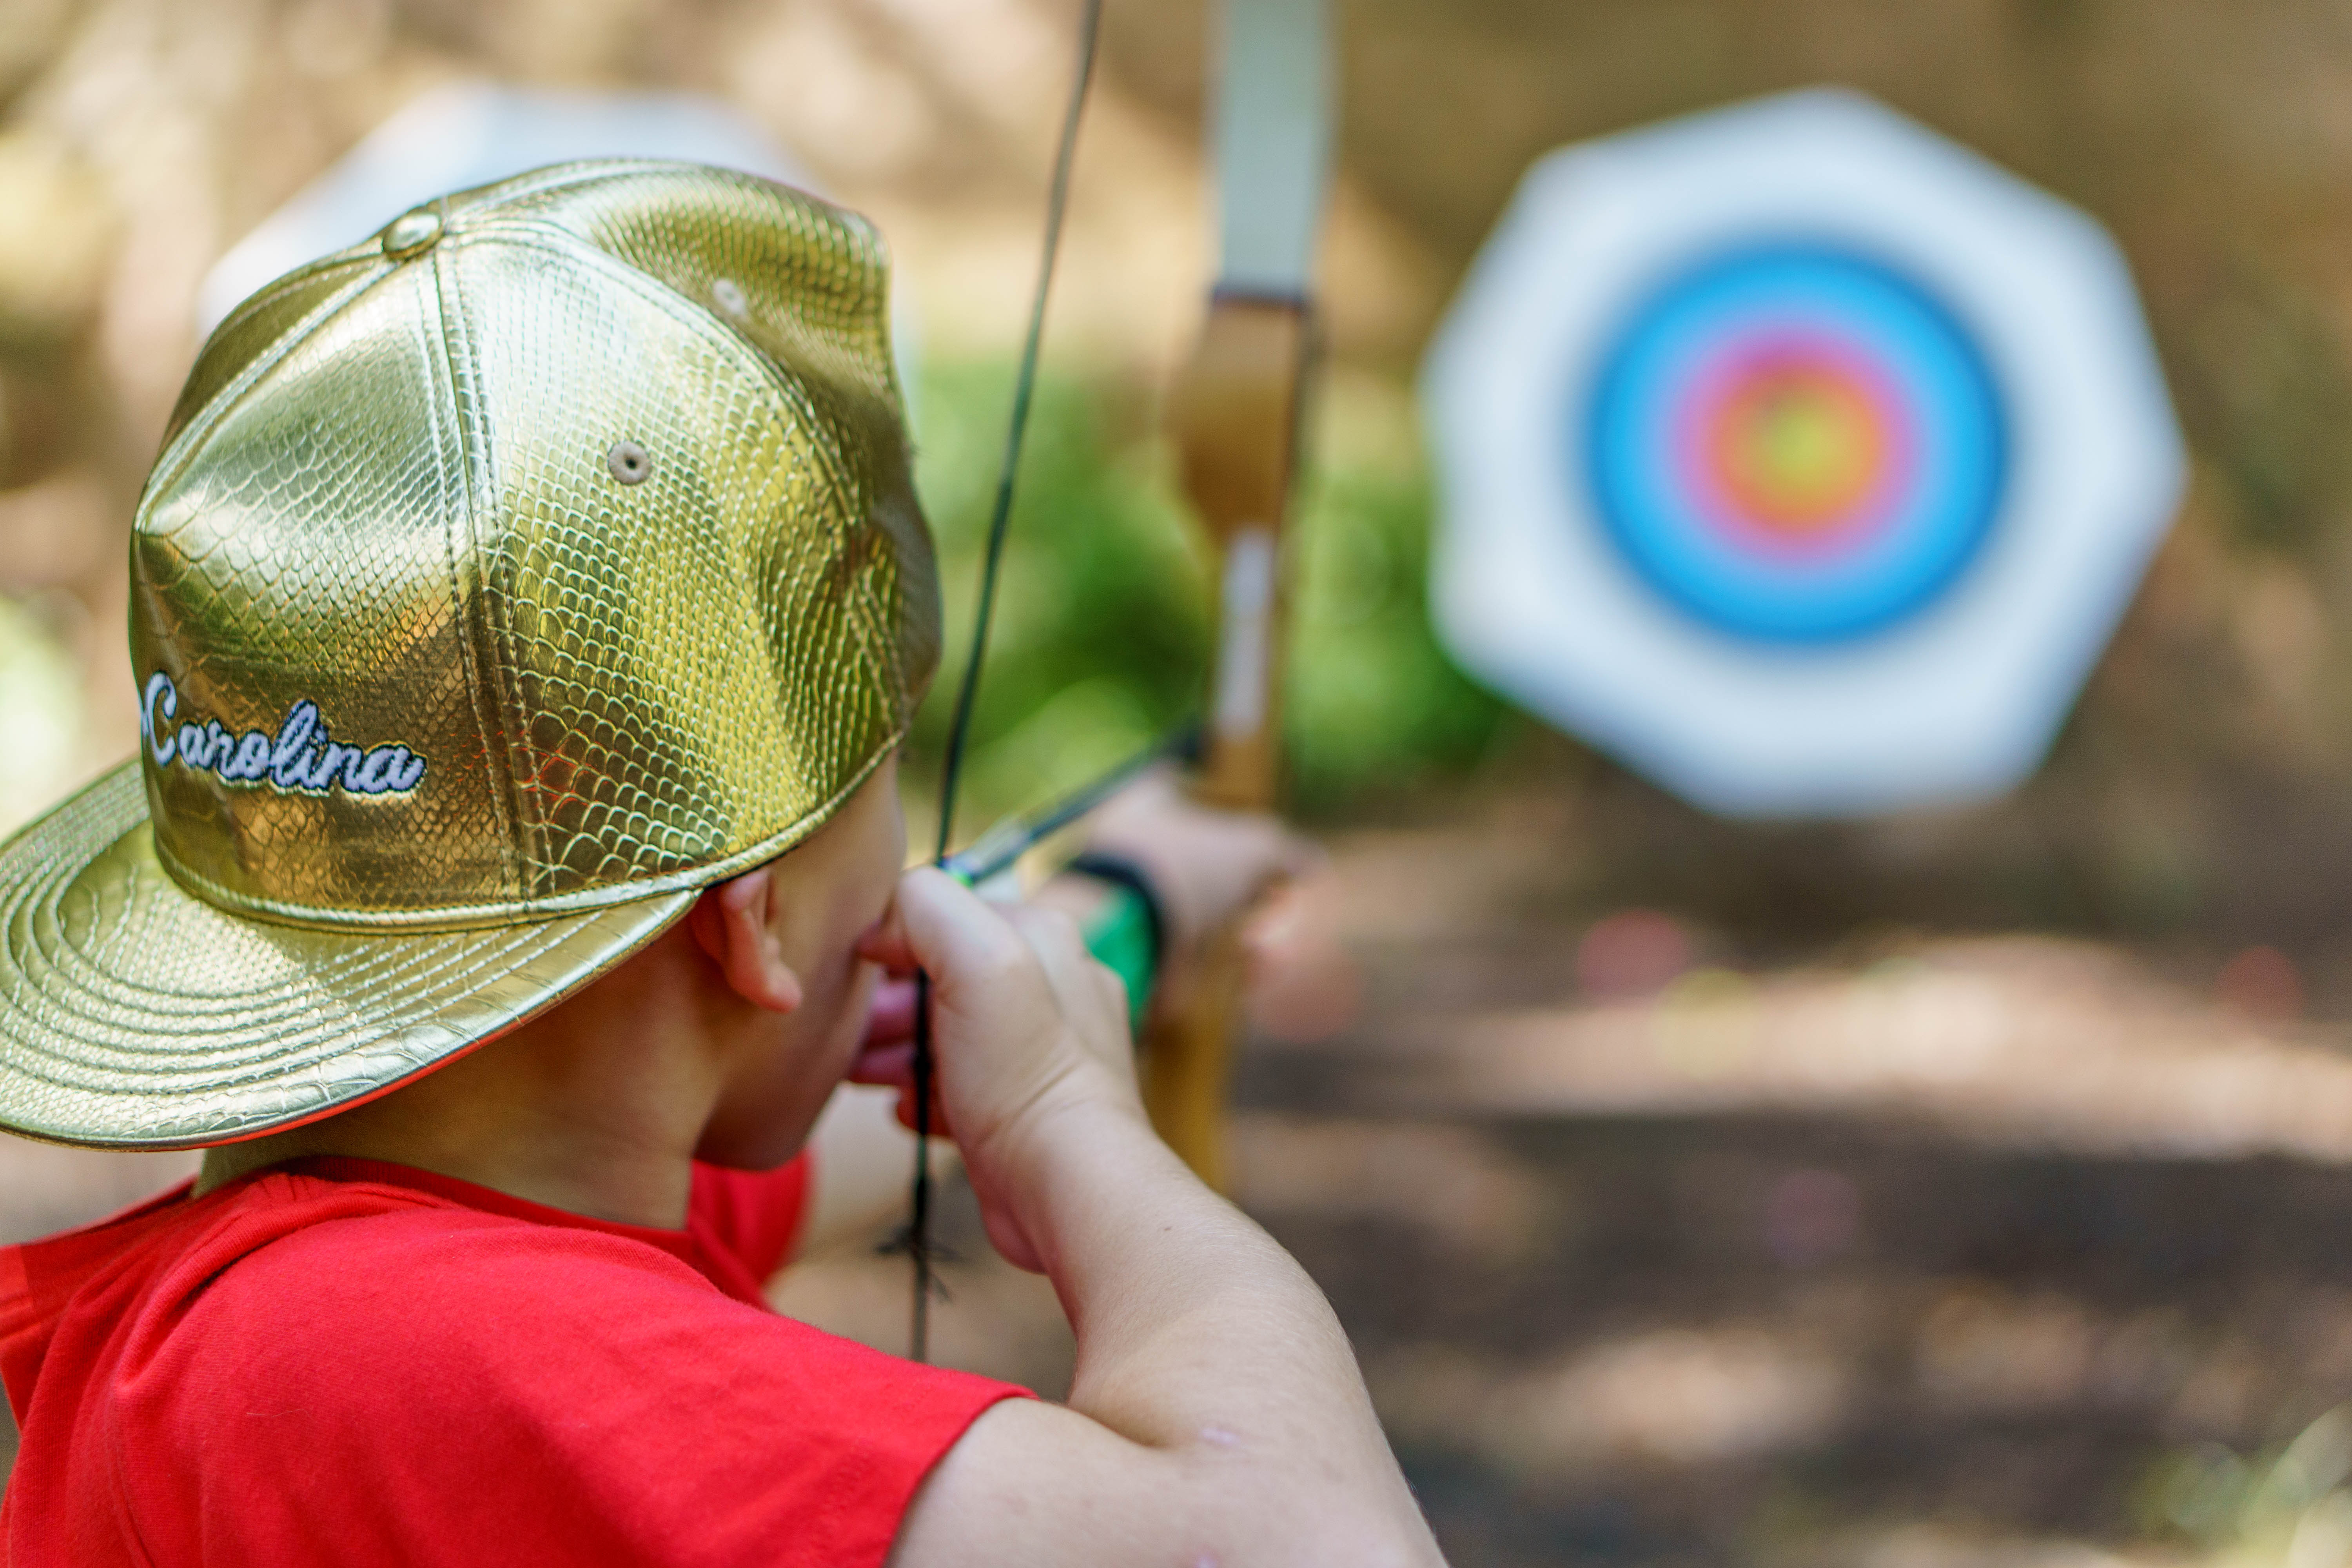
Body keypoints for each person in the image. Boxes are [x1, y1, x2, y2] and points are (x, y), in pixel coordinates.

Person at [0, 161, 1444, 1565]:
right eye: (881, 807)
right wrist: (1076, 1120)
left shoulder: (396, 1239)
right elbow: (1307, 1537)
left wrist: (1123, 913)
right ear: (751, 925)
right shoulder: (387, 1358)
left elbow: (848, 1128)